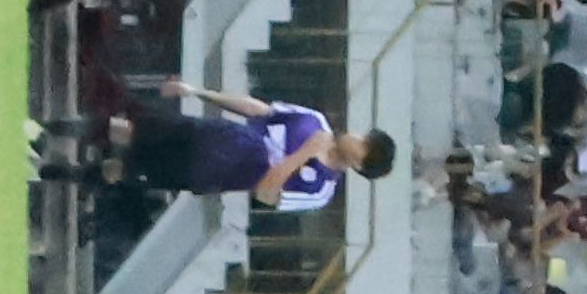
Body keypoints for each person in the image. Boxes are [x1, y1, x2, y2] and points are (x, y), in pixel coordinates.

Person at [53, 75, 396, 209]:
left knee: (126, 169)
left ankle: (58, 172)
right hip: (213, 134)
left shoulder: (319, 189)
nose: (356, 137)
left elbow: (265, 194)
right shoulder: (314, 120)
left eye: (364, 145)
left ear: (359, 163)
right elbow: (258, 109)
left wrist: (303, 154)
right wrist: (199, 92)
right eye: (364, 135)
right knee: (131, 128)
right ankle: (51, 129)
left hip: (209, 171)